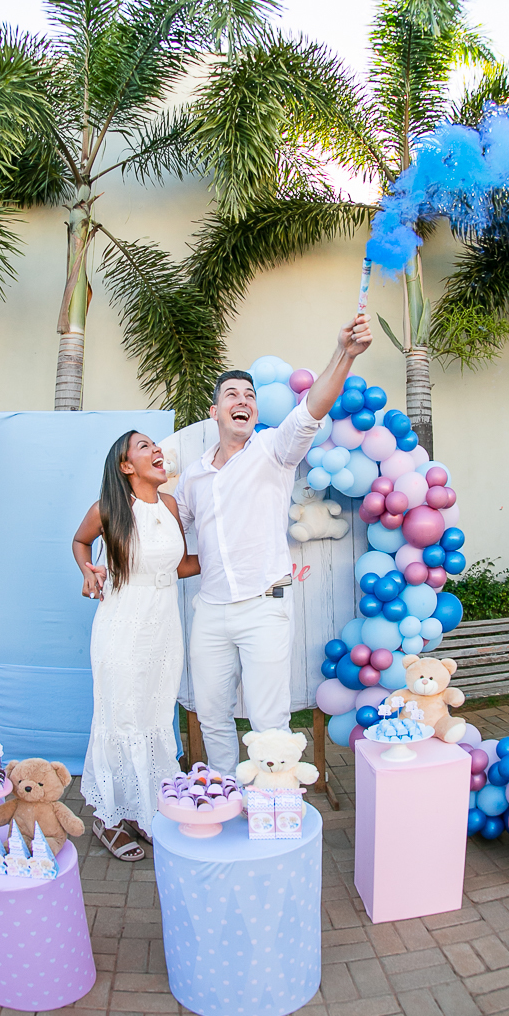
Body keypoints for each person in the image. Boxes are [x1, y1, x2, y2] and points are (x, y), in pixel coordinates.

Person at [175, 313, 372, 774]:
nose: (242, 401)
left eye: (250, 396)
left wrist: (344, 354)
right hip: (211, 610)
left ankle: (274, 800)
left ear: (257, 413)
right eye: (231, 395)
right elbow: (166, 534)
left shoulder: (273, 452)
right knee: (212, 716)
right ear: (215, 412)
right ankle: (225, 795)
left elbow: (313, 408)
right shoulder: (193, 477)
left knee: (269, 722)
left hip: (266, 603)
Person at [72, 431, 199, 861]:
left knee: (155, 716)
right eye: (144, 447)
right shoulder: (108, 509)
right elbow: (80, 541)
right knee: (120, 717)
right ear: (126, 466)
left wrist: (226, 559)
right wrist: (88, 570)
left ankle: (145, 810)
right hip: (121, 625)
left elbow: (179, 566)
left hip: (164, 627)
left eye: (154, 445)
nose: (156, 449)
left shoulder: (170, 505)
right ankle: (108, 818)